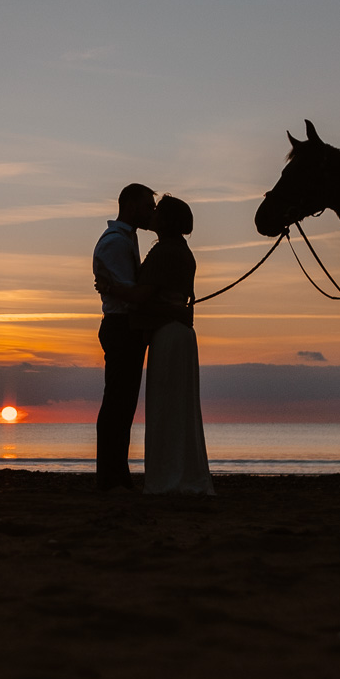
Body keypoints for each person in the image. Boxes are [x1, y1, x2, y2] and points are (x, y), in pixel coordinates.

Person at [132, 196, 213, 495]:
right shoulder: (181, 251)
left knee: (166, 405)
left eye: (158, 212)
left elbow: (143, 294)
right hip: (179, 333)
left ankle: (169, 478)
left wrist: (112, 287)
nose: (152, 214)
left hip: (168, 334)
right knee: (179, 407)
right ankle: (180, 473)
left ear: (166, 221)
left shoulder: (165, 251)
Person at [92, 183, 156, 491]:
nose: (152, 213)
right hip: (121, 325)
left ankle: (115, 473)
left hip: (125, 325)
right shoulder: (116, 242)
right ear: (131, 206)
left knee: (123, 402)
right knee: (118, 402)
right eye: (148, 207)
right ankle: (110, 475)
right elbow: (128, 294)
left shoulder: (125, 239)